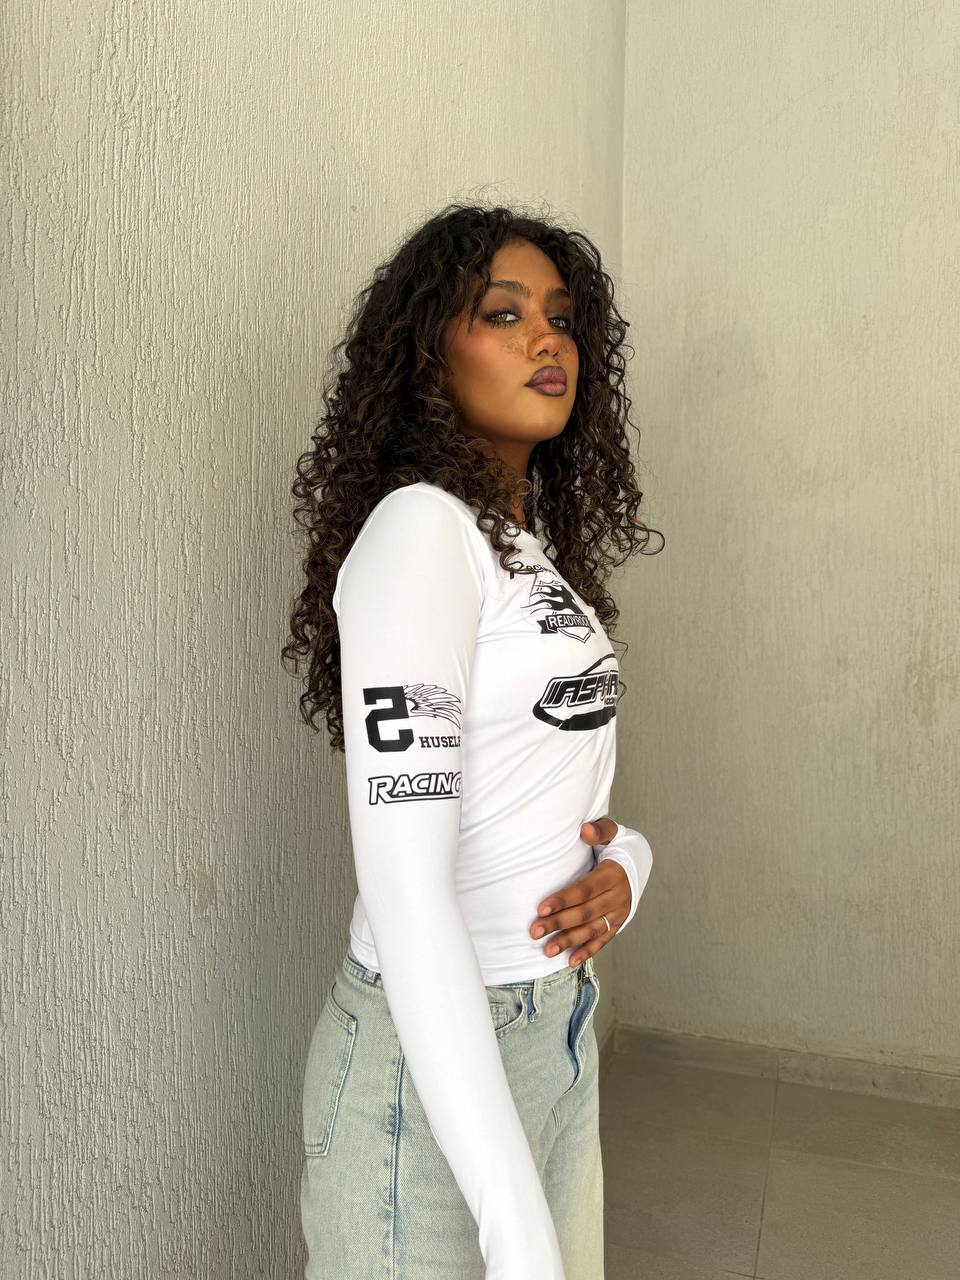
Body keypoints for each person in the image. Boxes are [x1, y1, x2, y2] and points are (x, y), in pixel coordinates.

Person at [282, 202, 663, 1279]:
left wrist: (628, 863)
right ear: (427, 354)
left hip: (556, 1026)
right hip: (432, 1058)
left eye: (562, 317)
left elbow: (550, 781)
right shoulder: (420, 533)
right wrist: (515, 1227)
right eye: (504, 313)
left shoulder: (526, 549)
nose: (549, 338)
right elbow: (406, 892)